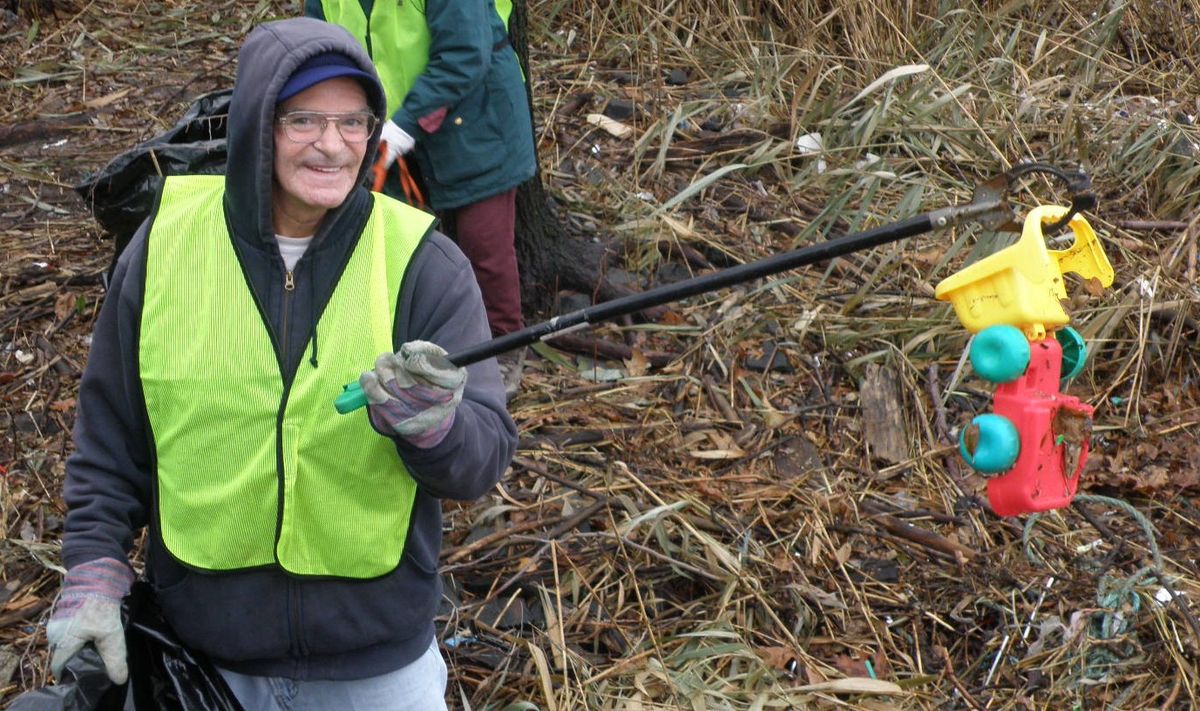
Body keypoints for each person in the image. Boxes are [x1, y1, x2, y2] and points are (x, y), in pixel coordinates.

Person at [45, 17, 516, 710]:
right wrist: (93, 568)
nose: (333, 145)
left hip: (377, 666)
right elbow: (110, 439)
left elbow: (484, 457)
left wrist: (434, 428)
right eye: (304, 120)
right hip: (205, 657)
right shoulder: (165, 248)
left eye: (353, 122)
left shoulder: (420, 259)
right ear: (257, 125)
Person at [305, 0, 538, 398]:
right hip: (388, 128)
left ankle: (502, 350)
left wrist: (403, 127)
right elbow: (315, 47)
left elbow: (465, 54)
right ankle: (408, 346)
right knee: (400, 242)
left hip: (477, 118)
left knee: (485, 247)